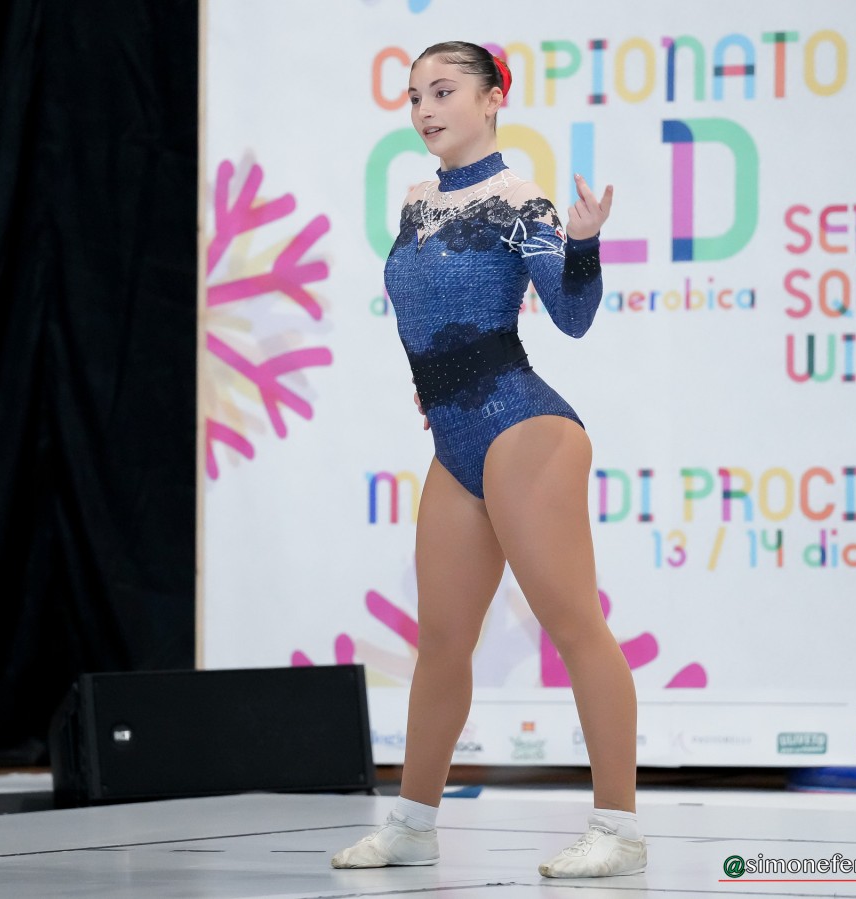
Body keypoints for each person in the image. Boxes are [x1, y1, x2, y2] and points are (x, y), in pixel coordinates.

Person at [330, 41, 644, 878]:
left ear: (493, 98)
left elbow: (571, 316)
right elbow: (425, 317)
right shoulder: (416, 200)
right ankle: (411, 825)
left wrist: (584, 243)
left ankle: (618, 829)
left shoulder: (518, 199)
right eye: (414, 96)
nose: (425, 109)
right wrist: (433, 387)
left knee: (574, 625)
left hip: (523, 426)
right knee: (441, 642)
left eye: (444, 91)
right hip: (455, 441)